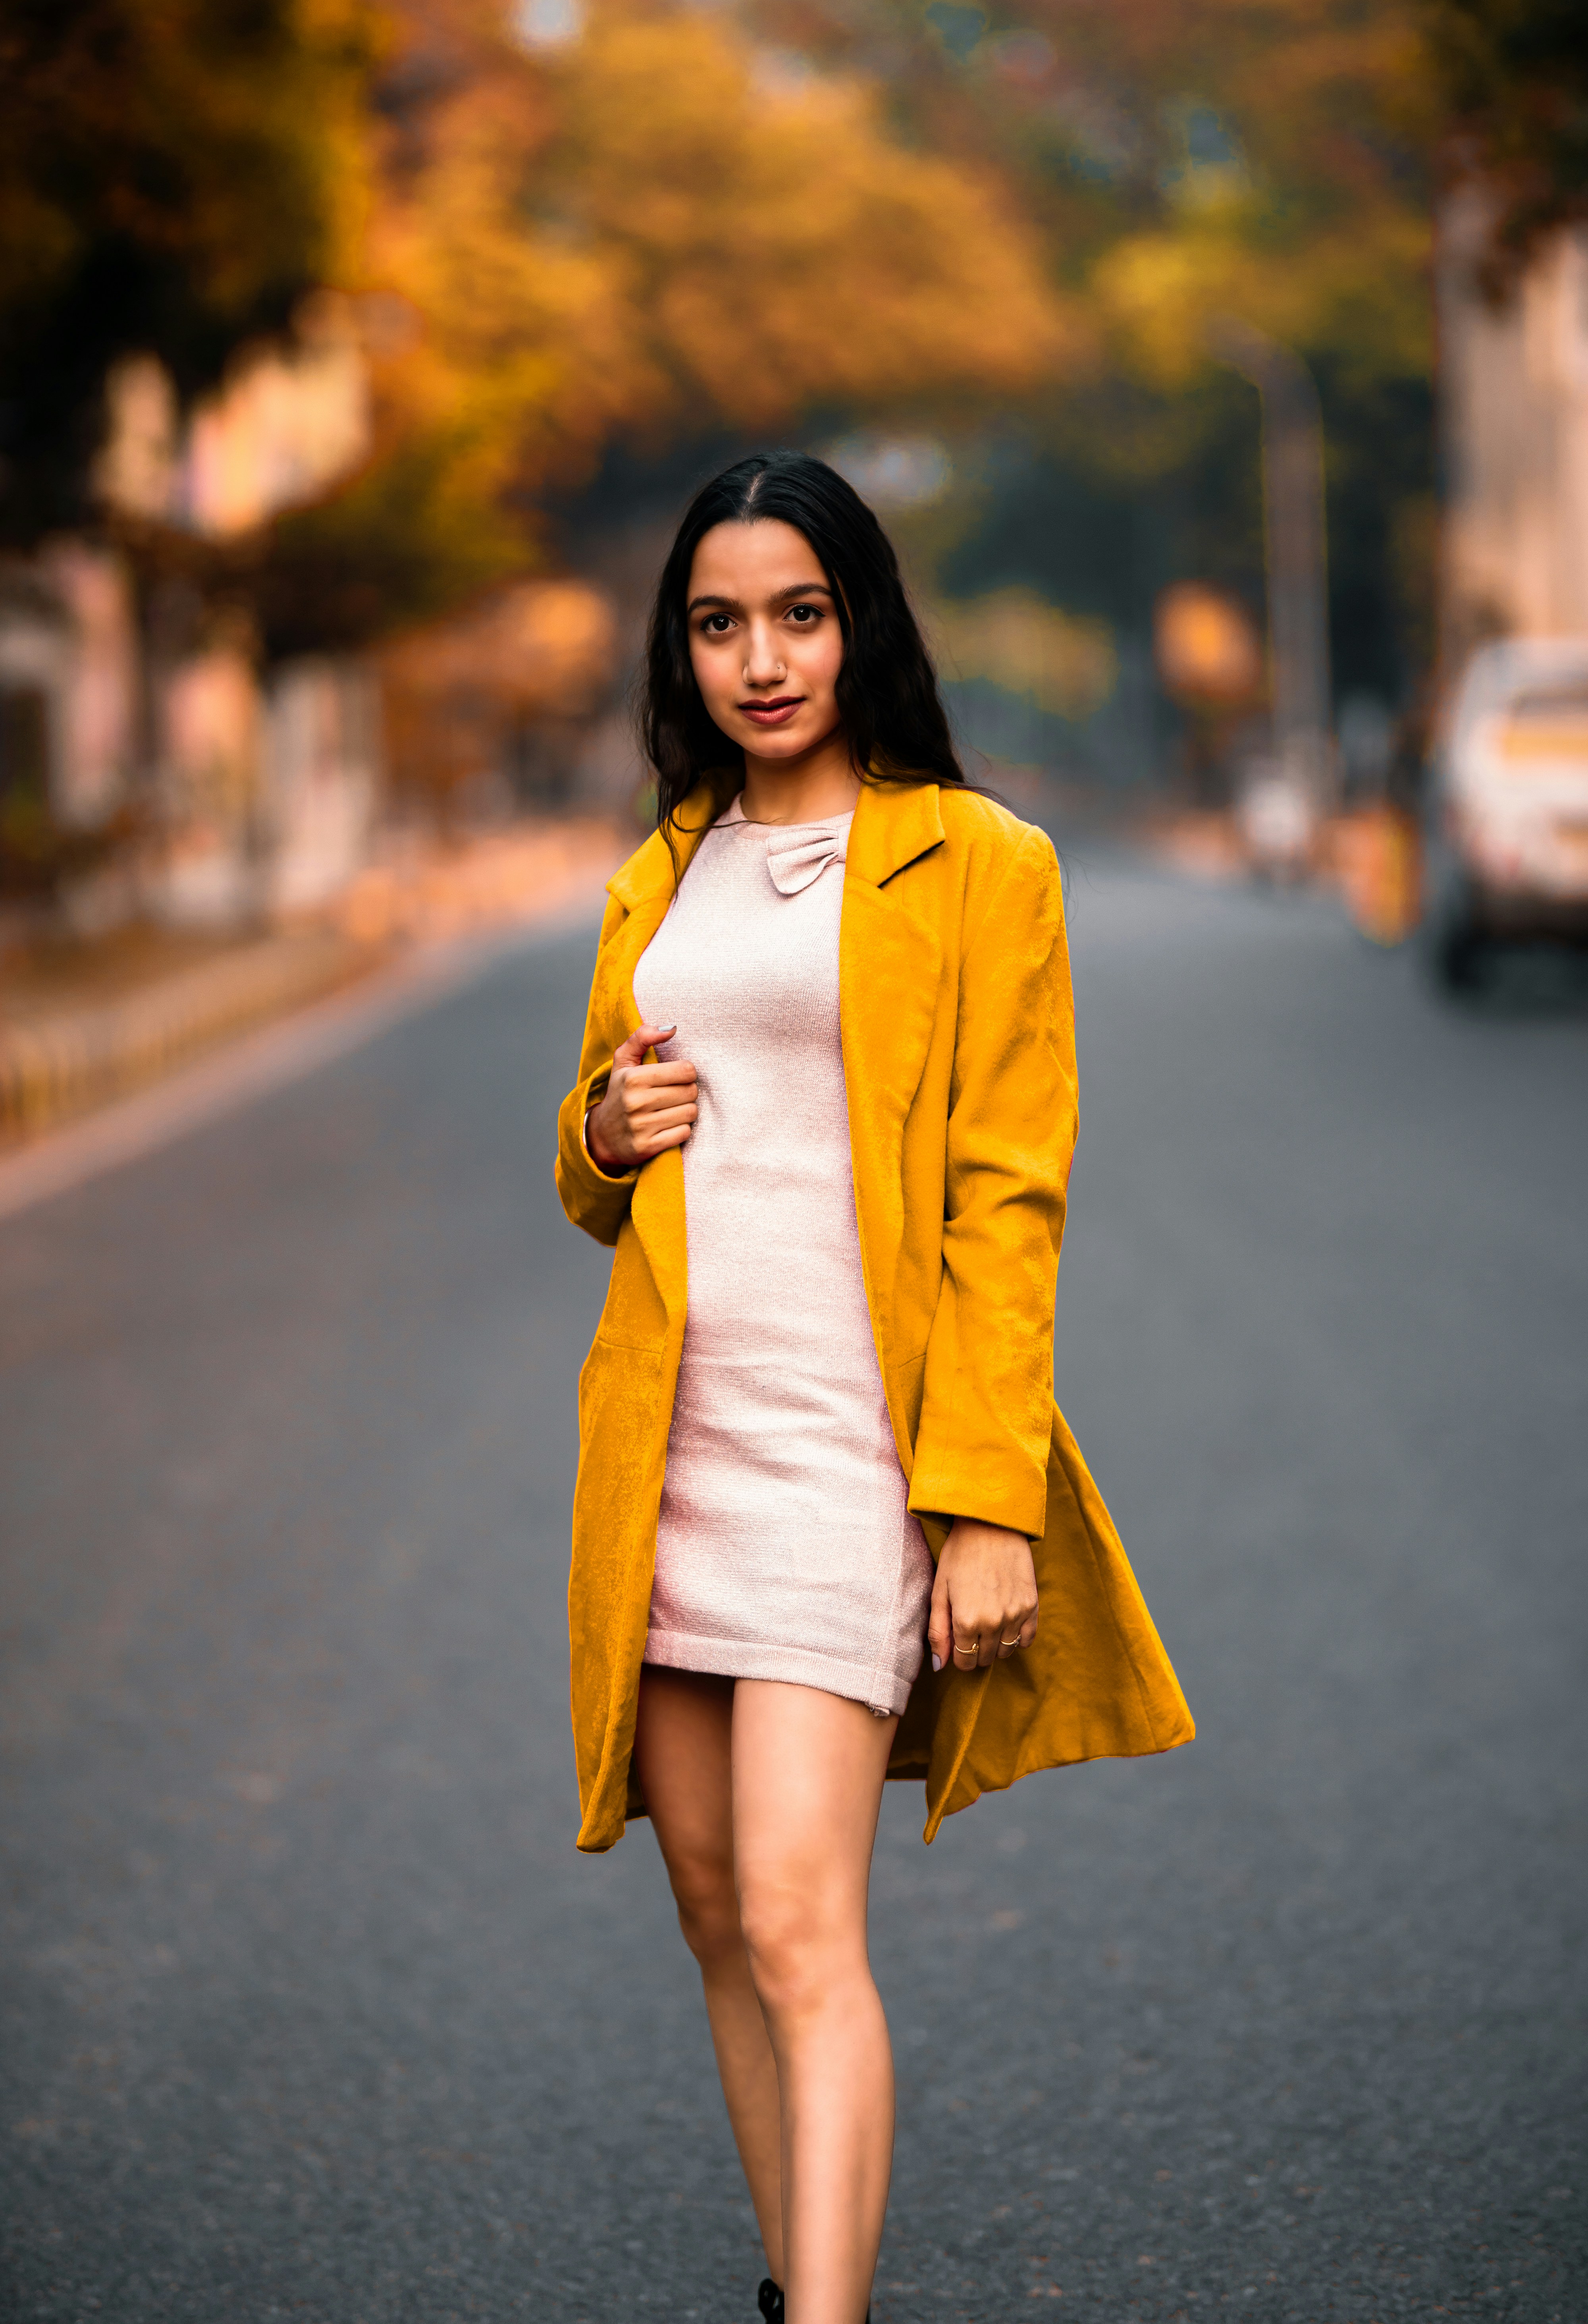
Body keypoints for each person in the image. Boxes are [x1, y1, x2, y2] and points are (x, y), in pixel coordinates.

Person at [555, 452, 1193, 2324]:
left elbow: (1010, 1197)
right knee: (707, 1917)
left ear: (862, 625)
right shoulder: (657, 870)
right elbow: (606, 1163)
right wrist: (597, 1126)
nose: (763, 658)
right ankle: (791, 2281)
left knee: (797, 1920)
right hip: (672, 1448)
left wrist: (980, 1498)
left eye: (801, 614)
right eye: (720, 621)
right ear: (684, 647)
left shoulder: (979, 862)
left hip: (848, 1453)